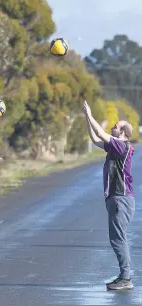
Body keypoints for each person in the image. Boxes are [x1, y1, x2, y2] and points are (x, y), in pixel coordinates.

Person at [83, 100, 135, 291]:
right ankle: (124, 276)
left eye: (116, 126)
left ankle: (126, 278)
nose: (113, 126)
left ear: (123, 133)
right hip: (117, 198)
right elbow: (95, 139)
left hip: (121, 199)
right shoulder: (115, 147)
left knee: (118, 238)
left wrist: (89, 114)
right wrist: (86, 119)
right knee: (117, 238)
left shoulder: (122, 146)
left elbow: (100, 133)